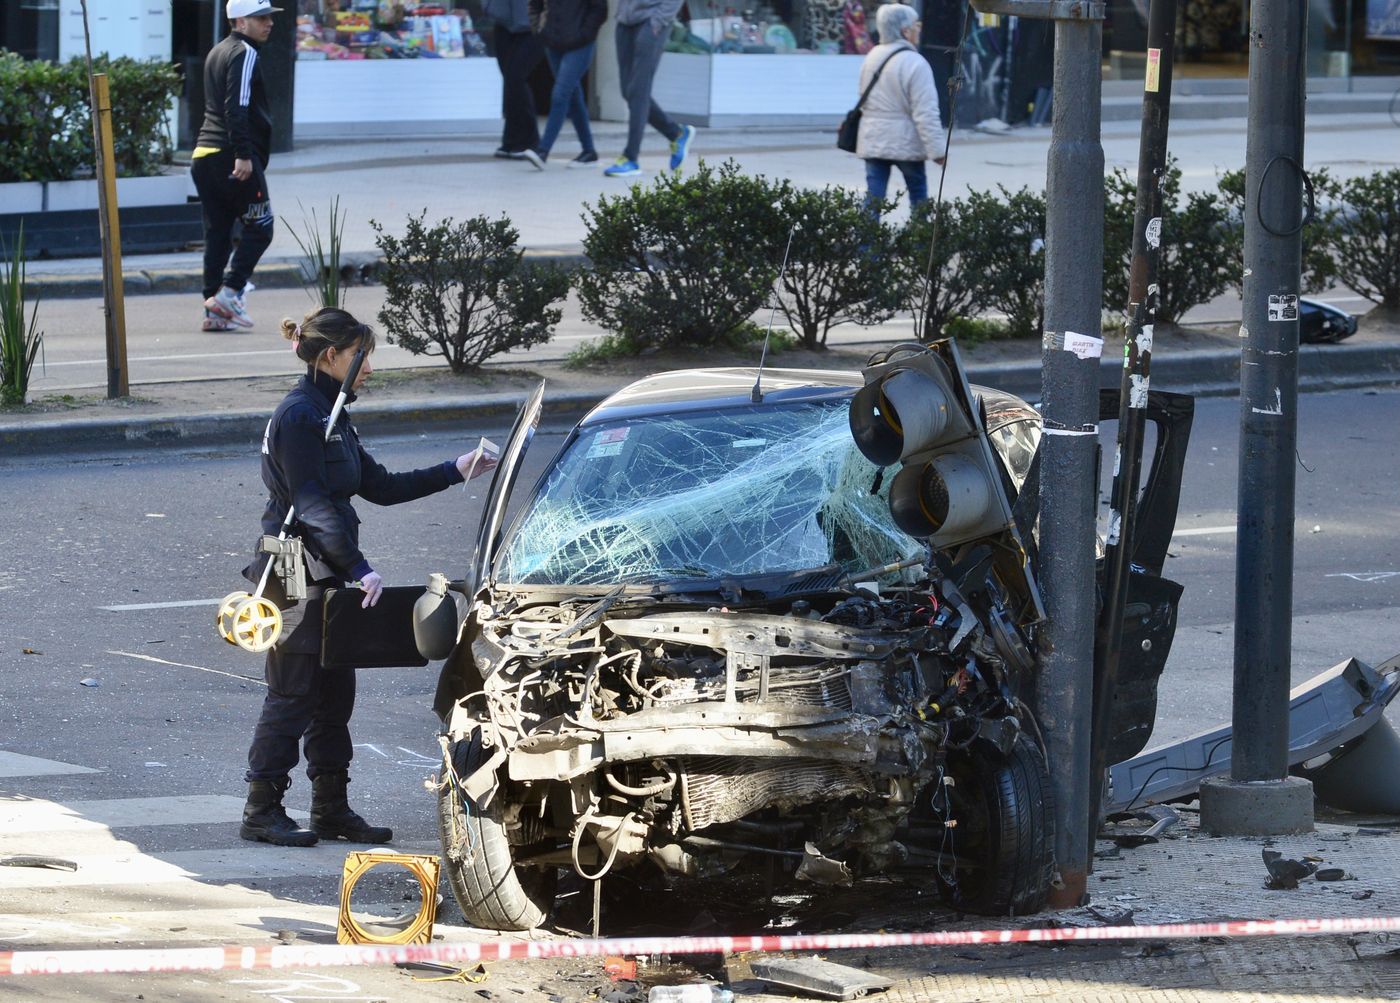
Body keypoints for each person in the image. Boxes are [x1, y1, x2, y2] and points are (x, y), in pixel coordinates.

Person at [239, 307, 497, 847]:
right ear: (331, 356)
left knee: (334, 693)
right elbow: (309, 504)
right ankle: (261, 809)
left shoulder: (333, 414)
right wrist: (358, 567)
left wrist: (457, 469)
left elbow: (376, 484)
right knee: (292, 694)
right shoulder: (299, 418)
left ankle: (330, 807)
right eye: (363, 357)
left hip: (328, 565)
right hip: (290, 568)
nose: (370, 369)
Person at [191, 0, 282, 333]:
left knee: (218, 233)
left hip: (204, 154)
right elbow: (236, 107)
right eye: (261, 18)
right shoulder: (244, 53)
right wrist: (243, 155)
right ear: (240, 21)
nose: (269, 23)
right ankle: (229, 293)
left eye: (270, 16)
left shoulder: (218, 51)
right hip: (232, 156)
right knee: (261, 226)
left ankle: (214, 311)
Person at [855, 3, 946, 214]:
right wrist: (937, 151)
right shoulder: (916, 63)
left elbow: (863, 98)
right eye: (917, 25)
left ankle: (865, 246)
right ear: (905, 31)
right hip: (906, 142)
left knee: (873, 198)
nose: (919, 30)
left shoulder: (871, 56)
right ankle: (919, 244)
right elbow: (925, 112)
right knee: (918, 196)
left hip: (874, 139)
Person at [603, 0, 696, 178]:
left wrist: (659, 20)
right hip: (625, 21)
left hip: (652, 21)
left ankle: (631, 157)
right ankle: (676, 133)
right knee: (628, 91)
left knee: (638, 91)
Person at [520, 0, 608, 169]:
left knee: (561, 94)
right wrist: (538, 29)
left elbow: (599, 9)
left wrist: (585, 34)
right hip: (553, 41)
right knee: (572, 95)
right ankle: (589, 152)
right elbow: (534, 4)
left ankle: (543, 150)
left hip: (580, 44)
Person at [487, 0, 546, 159]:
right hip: (504, 24)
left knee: (516, 77)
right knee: (510, 80)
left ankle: (531, 141)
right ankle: (511, 140)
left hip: (534, 25)